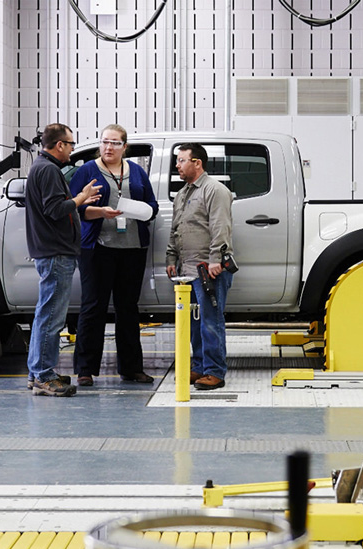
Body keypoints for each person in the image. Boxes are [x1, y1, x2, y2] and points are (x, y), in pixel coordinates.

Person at [25, 123, 118, 397]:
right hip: (56, 252)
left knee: (46, 314)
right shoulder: (49, 170)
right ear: (59, 145)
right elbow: (56, 209)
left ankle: (37, 372)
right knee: (52, 316)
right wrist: (82, 197)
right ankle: (43, 375)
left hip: (53, 251)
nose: (72, 149)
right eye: (70, 144)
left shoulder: (42, 168)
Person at [69, 124, 159, 387]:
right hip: (97, 249)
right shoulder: (87, 170)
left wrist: (144, 210)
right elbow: (75, 208)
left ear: (124, 147)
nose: (109, 147)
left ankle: (131, 368)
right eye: (105, 142)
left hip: (132, 249)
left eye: (115, 143)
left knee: (128, 309)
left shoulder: (138, 172)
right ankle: (85, 369)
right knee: (93, 307)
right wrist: (100, 212)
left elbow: (152, 205)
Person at [165, 143, 234, 390]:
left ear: (197, 163)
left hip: (209, 269)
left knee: (210, 321)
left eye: (182, 160)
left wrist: (217, 258)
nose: (177, 165)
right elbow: (176, 229)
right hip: (187, 271)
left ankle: (215, 371)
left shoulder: (215, 190)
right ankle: (199, 367)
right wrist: (171, 258)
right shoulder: (183, 194)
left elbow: (220, 227)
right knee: (194, 322)